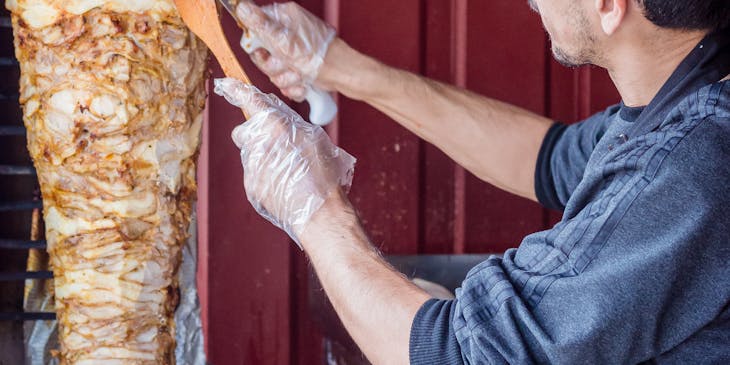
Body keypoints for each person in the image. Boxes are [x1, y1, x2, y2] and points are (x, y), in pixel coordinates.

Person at [213, 0, 730, 363]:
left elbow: (460, 357)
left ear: (609, 6)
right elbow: (548, 159)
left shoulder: (688, 166)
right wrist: (339, 65)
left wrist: (315, 208)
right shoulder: (689, 97)